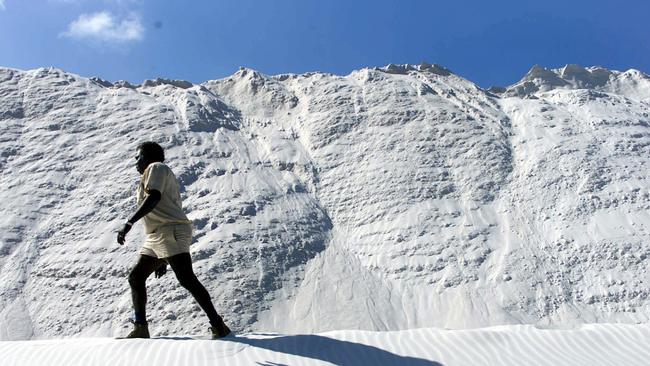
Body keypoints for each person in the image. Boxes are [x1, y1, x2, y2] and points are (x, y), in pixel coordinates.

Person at [116, 141, 231, 339]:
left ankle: (218, 325)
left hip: (170, 230)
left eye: (139, 157)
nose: (136, 161)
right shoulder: (151, 175)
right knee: (136, 277)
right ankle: (140, 327)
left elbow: (153, 198)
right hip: (157, 236)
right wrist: (162, 257)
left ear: (149, 158)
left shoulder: (156, 168)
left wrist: (129, 223)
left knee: (186, 279)